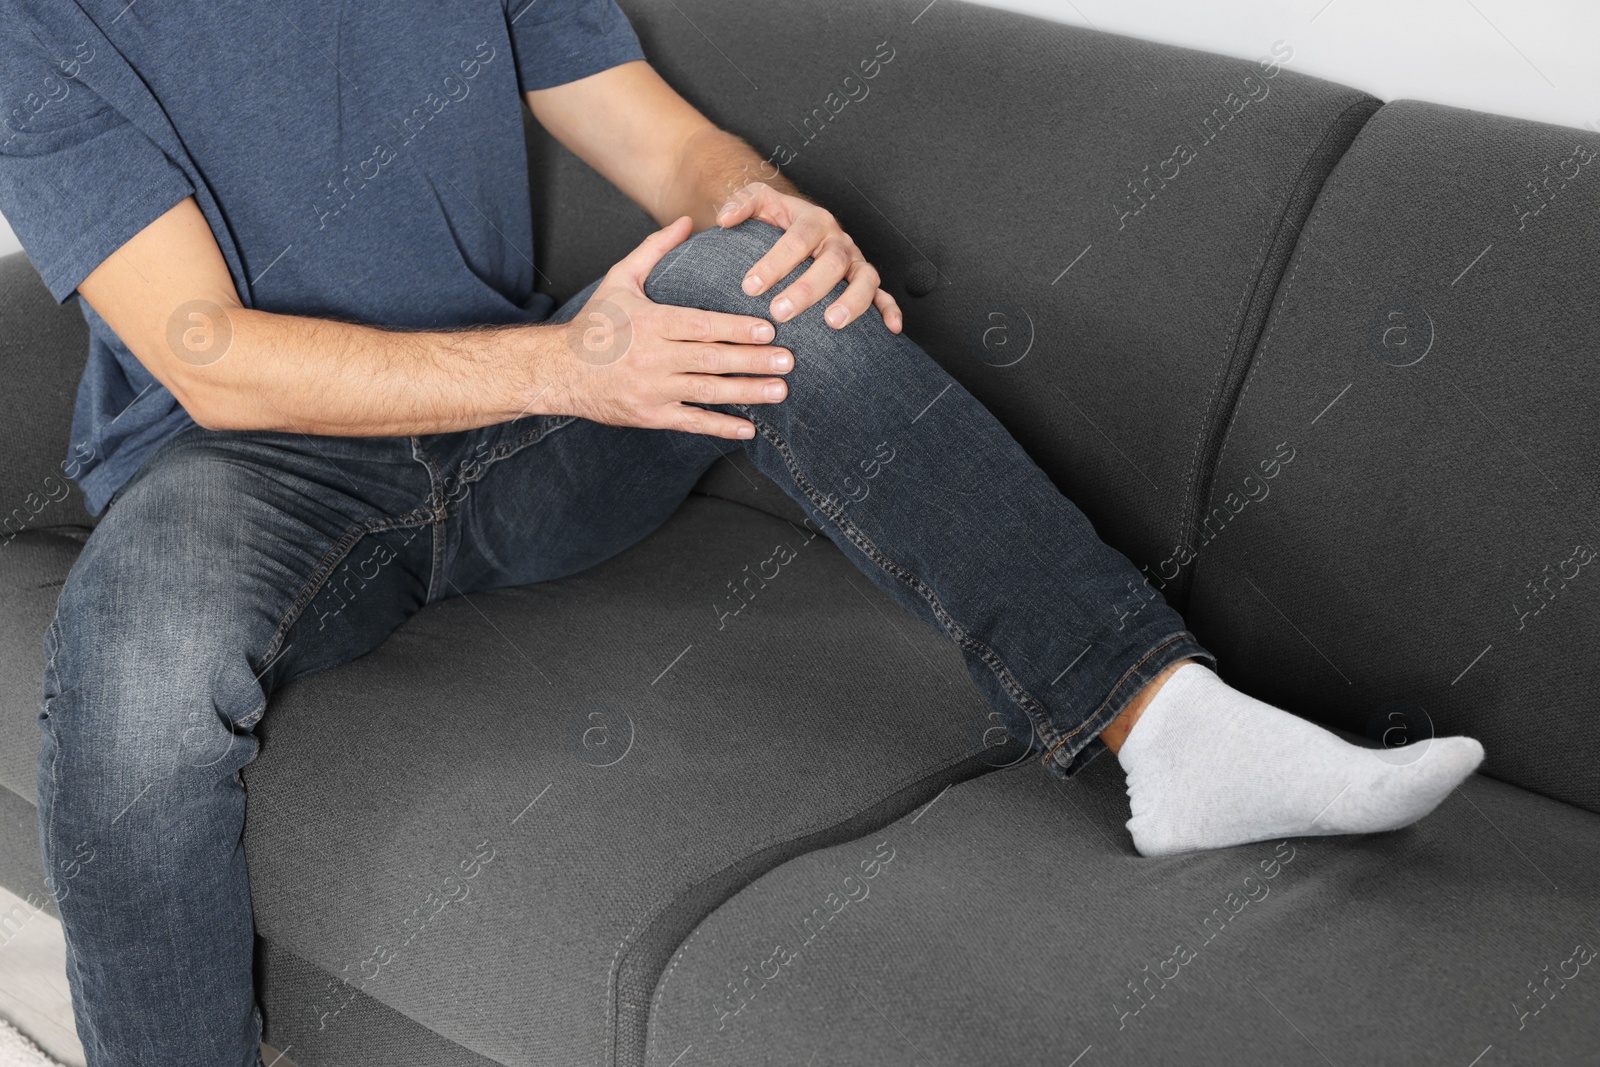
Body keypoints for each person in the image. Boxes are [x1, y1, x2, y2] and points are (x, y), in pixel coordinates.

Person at [0, 2, 1483, 1064]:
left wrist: (769, 215)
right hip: (254, 464)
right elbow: (213, 354)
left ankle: (1165, 727)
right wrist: (572, 362)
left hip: (525, 440)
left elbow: (670, 146)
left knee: (745, 280)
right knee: (134, 671)